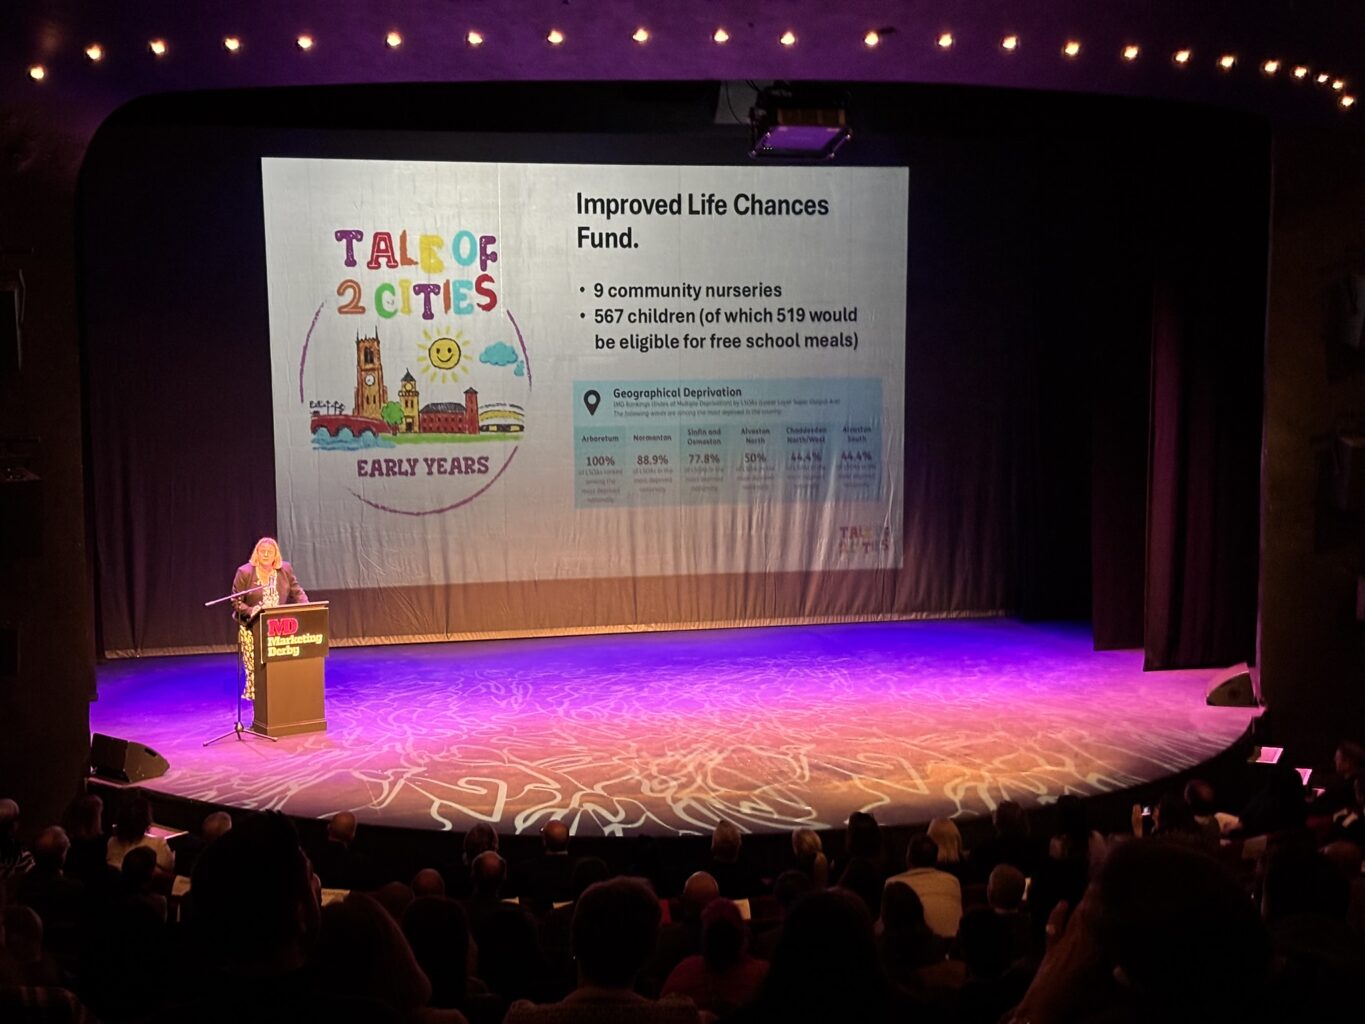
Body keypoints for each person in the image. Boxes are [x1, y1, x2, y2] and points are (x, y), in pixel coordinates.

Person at [230, 536, 309, 700]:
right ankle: (258, 702)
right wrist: (251, 610)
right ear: (256, 553)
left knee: (277, 666)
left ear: (275, 555)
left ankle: (277, 698)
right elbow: (236, 601)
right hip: (252, 627)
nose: (266, 554)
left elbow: (297, 591)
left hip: (277, 627)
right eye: (262, 551)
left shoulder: (285, 570)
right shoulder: (245, 572)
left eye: (270, 552)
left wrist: (307, 607)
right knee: (256, 669)